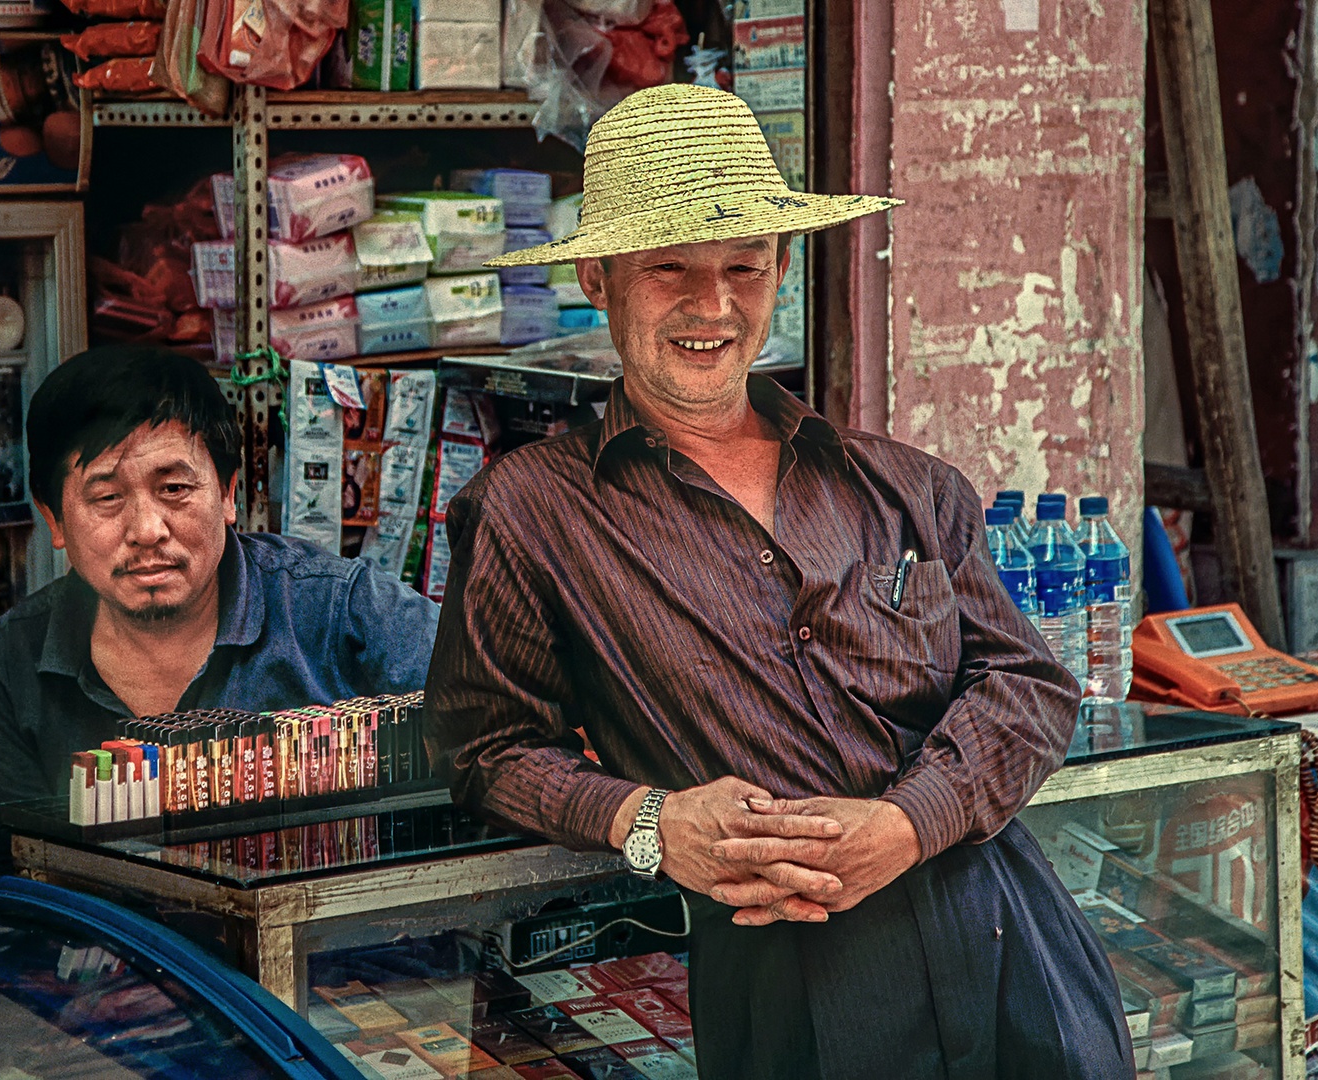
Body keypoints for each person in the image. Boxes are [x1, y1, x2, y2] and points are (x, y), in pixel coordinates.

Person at [424, 84, 1134, 1079]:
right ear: (597, 275)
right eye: (668, 268)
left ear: (783, 269)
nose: (712, 307)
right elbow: (482, 748)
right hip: (784, 979)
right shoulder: (533, 512)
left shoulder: (904, 486)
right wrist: (650, 825)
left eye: (743, 268)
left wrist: (904, 822)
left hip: (1008, 944)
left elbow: (1027, 689)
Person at [0, 345, 438, 874]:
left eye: (174, 489)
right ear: (52, 520)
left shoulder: (344, 612)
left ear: (228, 494)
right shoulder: (9, 664)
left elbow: (503, 737)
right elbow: (15, 885)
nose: (148, 531)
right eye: (106, 498)